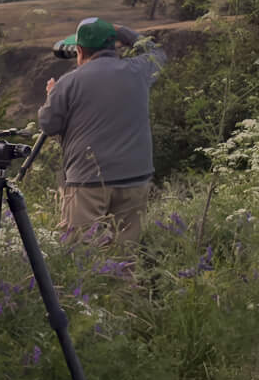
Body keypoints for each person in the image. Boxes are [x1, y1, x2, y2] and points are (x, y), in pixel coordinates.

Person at [39, 17, 165, 244]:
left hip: (88, 181)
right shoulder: (139, 70)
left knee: (80, 255)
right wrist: (123, 30)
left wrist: (51, 95)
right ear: (114, 45)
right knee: (124, 257)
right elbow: (157, 53)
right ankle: (121, 280)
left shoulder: (69, 82)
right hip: (135, 178)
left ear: (79, 50)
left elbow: (48, 124)